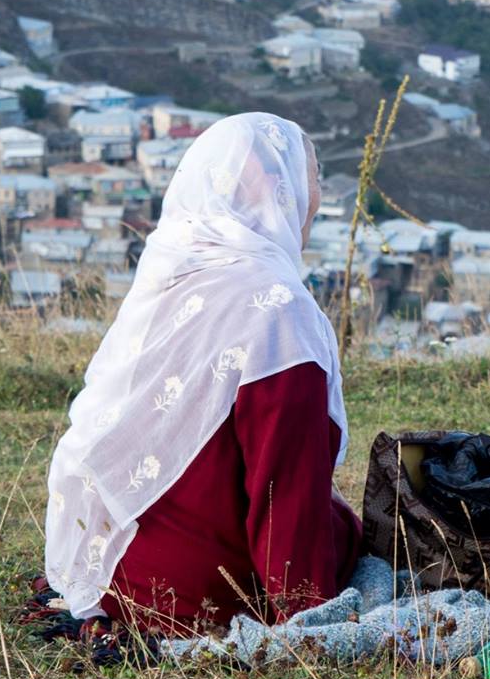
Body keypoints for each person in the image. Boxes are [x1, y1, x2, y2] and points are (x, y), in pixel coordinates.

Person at [43, 112, 360, 632]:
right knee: (347, 530)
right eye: (314, 179)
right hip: (195, 593)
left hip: (116, 570)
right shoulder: (278, 310)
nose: (317, 199)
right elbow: (287, 490)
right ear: (280, 190)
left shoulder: (175, 273)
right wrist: (307, 613)